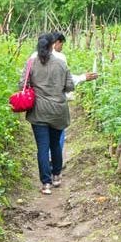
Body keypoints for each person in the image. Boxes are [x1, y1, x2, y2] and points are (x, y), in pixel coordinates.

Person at [20, 34, 74, 195]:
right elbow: (70, 86)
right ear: (52, 46)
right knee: (55, 143)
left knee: (42, 147)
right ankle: (57, 175)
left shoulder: (31, 63)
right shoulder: (61, 63)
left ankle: (46, 184)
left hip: (38, 111)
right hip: (58, 110)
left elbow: (21, 84)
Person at [49, 32, 98, 164]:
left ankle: (47, 160)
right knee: (58, 131)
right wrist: (83, 77)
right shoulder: (60, 57)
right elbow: (66, 79)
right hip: (58, 100)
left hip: (40, 103)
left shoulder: (35, 56)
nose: (62, 48)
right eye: (62, 44)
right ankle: (56, 161)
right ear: (57, 43)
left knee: (44, 133)